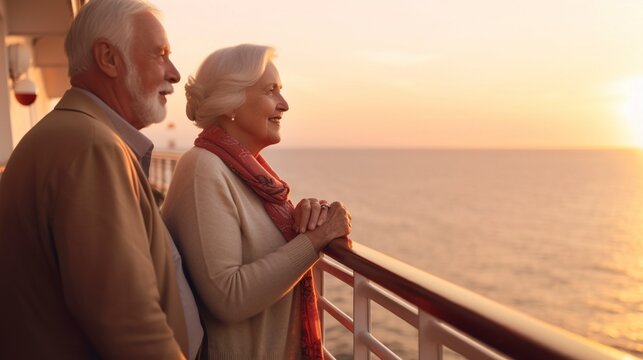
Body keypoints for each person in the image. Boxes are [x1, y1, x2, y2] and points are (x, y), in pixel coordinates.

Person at [0, 0, 203, 358]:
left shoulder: (74, 134)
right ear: (109, 58)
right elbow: (129, 323)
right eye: (161, 54)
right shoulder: (91, 146)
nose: (174, 73)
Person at [161, 44, 352, 359]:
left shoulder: (251, 176)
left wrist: (300, 221)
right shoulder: (203, 168)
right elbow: (229, 297)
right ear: (230, 103)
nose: (284, 104)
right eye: (271, 91)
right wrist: (315, 239)